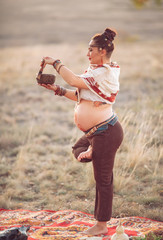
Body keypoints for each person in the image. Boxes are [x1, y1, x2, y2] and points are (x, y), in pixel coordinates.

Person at [39, 28, 124, 236]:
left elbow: (74, 80)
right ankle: (94, 150)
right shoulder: (95, 70)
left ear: (103, 51)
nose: (88, 54)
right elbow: (79, 94)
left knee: (103, 180)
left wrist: (55, 62)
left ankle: (102, 225)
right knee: (78, 147)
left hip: (106, 132)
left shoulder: (105, 72)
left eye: (91, 50)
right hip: (99, 132)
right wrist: (57, 90)